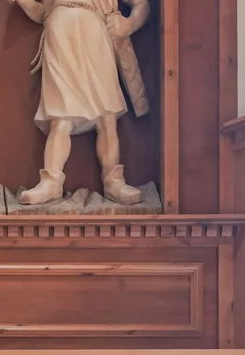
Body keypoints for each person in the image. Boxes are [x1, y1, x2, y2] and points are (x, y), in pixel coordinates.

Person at [12, 0, 151, 206]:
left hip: (95, 34)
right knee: (60, 116)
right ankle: (51, 181)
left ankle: (113, 180)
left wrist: (128, 24)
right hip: (60, 35)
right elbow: (43, 13)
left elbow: (142, 4)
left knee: (107, 115)